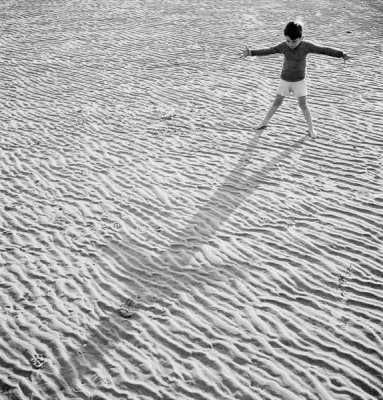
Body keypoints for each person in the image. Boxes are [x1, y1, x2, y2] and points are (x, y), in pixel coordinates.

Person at [240, 19, 352, 138]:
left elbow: (323, 50)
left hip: (299, 81)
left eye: (294, 41)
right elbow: (269, 50)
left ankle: (311, 130)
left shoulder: (307, 46)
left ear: (301, 38)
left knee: (303, 105)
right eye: (288, 41)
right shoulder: (284, 46)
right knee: (277, 103)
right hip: (285, 80)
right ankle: (264, 122)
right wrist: (251, 52)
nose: (290, 44)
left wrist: (341, 54)